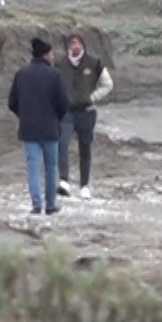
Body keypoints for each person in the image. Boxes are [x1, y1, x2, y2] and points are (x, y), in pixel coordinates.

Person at [8, 36, 71, 215]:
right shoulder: (55, 75)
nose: (53, 56)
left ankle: (36, 204)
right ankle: (50, 204)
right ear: (46, 54)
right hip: (50, 128)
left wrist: (24, 116)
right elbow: (64, 103)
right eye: (51, 53)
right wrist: (56, 117)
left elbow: (12, 102)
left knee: (33, 168)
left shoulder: (21, 74)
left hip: (28, 129)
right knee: (51, 168)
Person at [55, 32, 114, 200]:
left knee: (85, 148)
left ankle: (84, 185)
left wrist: (92, 98)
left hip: (86, 112)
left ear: (83, 45)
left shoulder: (93, 63)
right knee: (62, 144)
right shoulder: (60, 64)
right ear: (68, 46)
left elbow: (108, 84)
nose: (75, 46)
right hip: (66, 112)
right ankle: (64, 181)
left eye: (78, 43)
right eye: (72, 43)